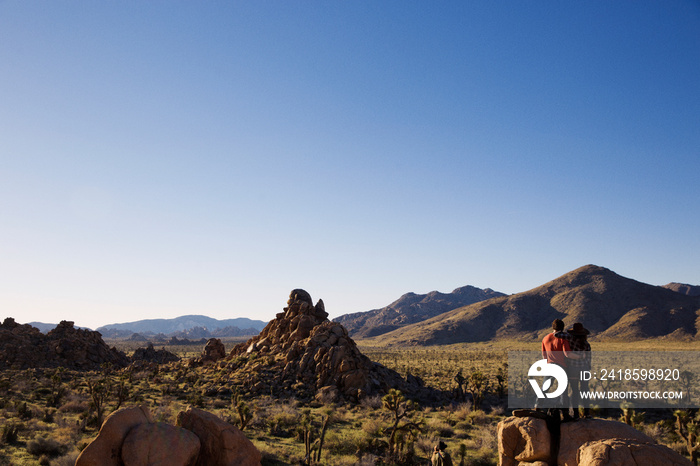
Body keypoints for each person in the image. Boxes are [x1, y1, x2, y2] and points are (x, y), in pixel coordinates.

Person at [540, 319, 576, 421]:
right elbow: (567, 354)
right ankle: (565, 414)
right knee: (563, 391)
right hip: (561, 366)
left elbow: (544, 355)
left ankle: (537, 407)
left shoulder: (545, 338)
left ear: (553, 327)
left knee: (545, 388)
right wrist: (580, 357)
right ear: (562, 327)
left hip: (550, 365)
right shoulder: (562, 339)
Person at [557, 322, 592, 419]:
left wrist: (568, 335)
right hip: (584, 368)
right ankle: (587, 413)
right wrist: (588, 368)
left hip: (573, 368)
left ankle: (576, 414)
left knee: (575, 391)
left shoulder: (570, 340)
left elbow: (557, 334)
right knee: (585, 390)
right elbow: (589, 358)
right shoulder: (586, 344)